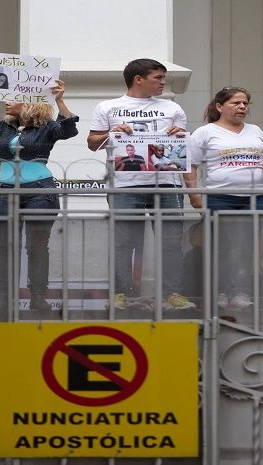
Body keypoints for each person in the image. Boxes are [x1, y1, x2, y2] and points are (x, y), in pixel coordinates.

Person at [0, 78, 77, 318]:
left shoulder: (46, 127)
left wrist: (60, 100)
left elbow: (69, 129)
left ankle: (38, 298)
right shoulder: (3, 127)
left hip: (40, 192)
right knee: (5, 247)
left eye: (15, 98)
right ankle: (3, 300)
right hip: (5, 192)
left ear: (31, 103)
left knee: (36, 247)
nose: (7, 102)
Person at [87, 58, 195, 312]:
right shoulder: (109, 107)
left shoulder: (172, 109)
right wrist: (113, 134)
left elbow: (181, 146)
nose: (163, 82)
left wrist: (177, 136)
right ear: (139, 79)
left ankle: (173, 294)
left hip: (166, 181)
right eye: (158, 78)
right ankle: (120, 294)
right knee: (123, 242)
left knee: (171, 241)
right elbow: (92, 142)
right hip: (125, 183)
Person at [185, 87, 263, 311]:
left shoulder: (255, 130)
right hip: (219, 197)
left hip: (256, 197)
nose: (242, 107)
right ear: (219, 107)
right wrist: (194, 194)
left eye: (245, 103)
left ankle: (241, 291)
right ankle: (221, 291)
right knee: (222, 246)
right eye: (236, 103)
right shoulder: (205, 132)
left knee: (247, 245)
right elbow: (190, 164)